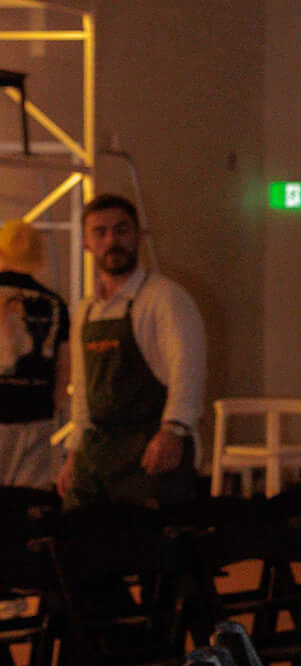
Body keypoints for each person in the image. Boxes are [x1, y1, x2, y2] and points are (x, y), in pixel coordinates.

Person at [59, 194, 206, 509]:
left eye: (121, 230)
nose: (112, 240)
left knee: (149, 551)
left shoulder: (166, 298)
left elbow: (188, 370)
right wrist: (74, 453)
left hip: (151, 452)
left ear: (138, 237)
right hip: (97, 453)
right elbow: (83, 390)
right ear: (86, 243)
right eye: (101, 232)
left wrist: (174, 430)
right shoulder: (86, 310)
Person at [0, 219, 71, 490]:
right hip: (36, 416)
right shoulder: (55, 303)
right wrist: (50, 407)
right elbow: (64, 368)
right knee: (26, 505)